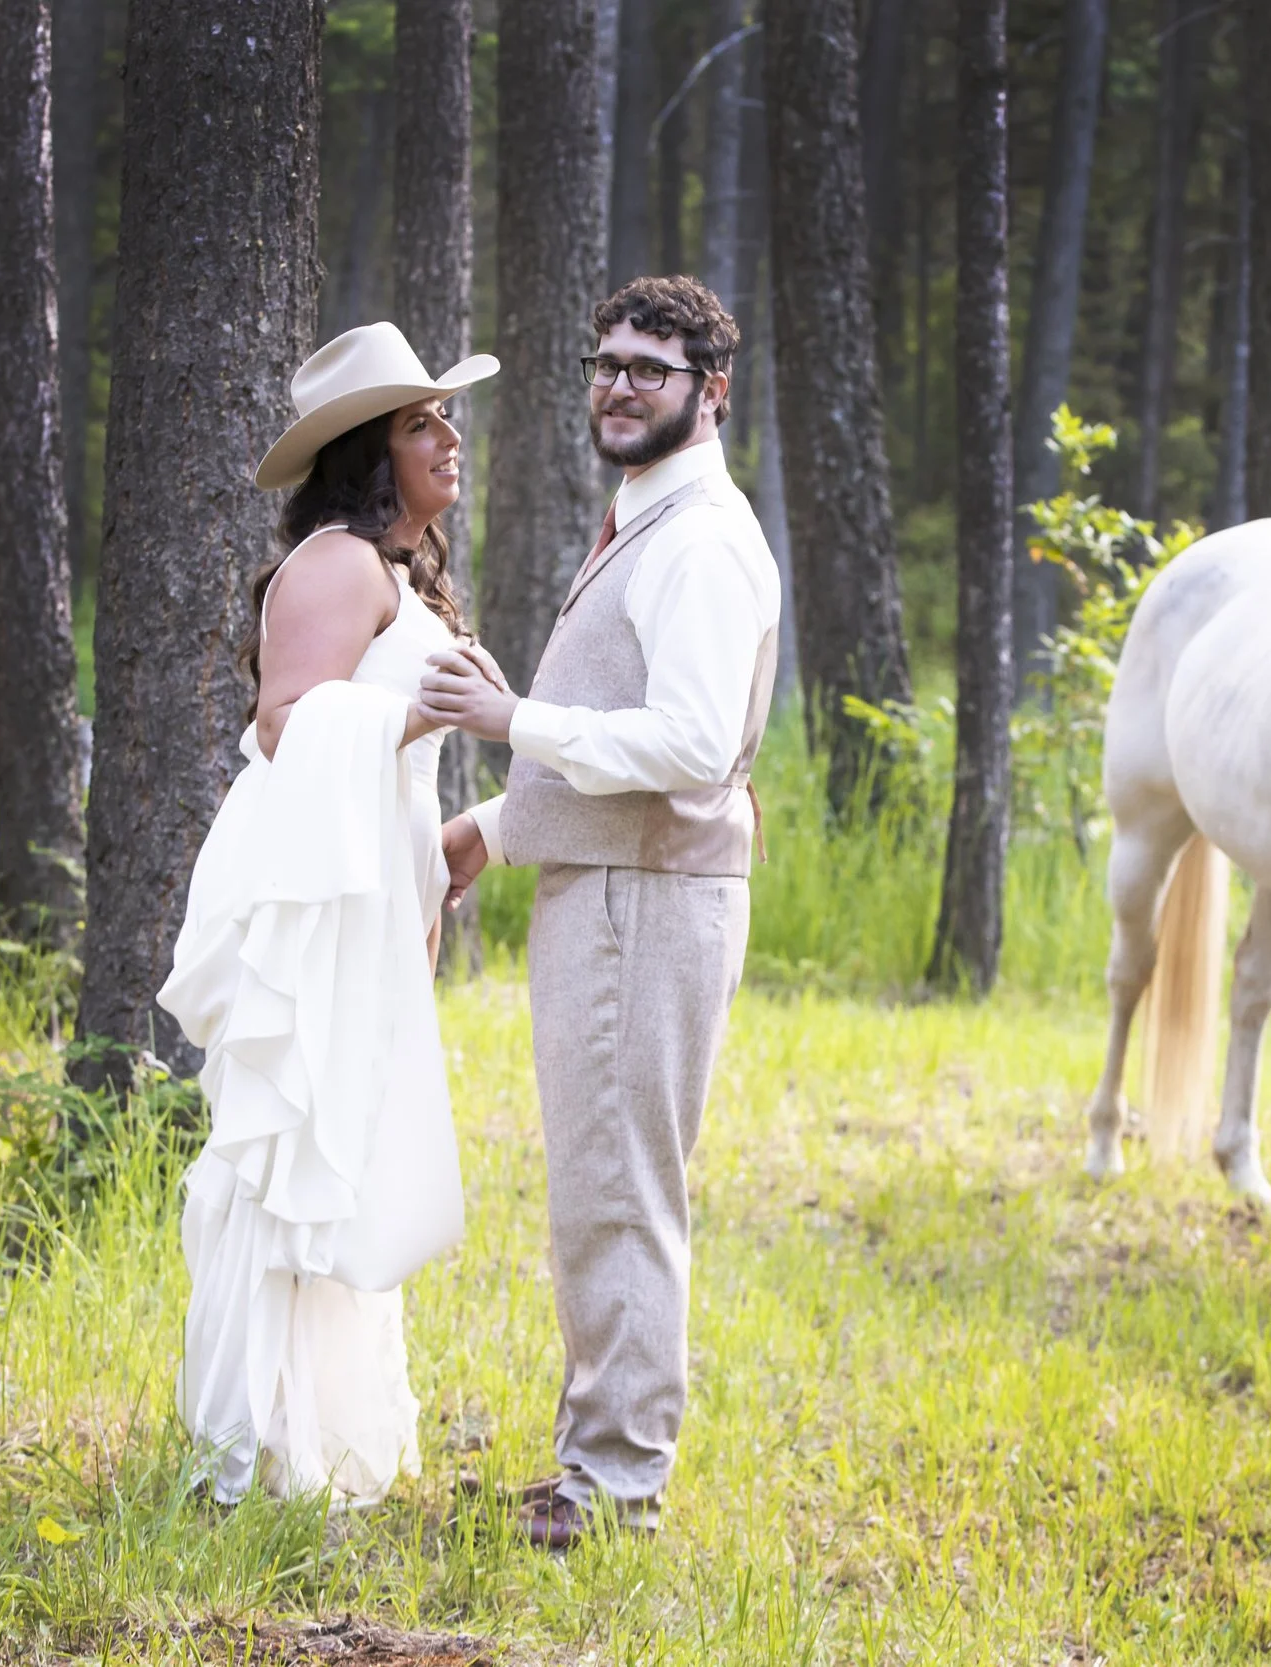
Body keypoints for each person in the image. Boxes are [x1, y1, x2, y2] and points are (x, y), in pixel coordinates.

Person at [420, 276, 781, 1550]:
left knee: (620, 1189)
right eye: (606, 362)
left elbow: (686, 745)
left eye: (651, 368)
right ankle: (595, 1461)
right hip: (607, 884)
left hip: (649, 897)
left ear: (711, 394)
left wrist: (510, 722)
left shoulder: (700, 542)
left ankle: (616, 1485)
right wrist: (501, 826)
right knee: (594, 1182)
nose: (619, 384)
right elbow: (627, 729)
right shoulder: (646, 522)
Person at [157, 323, 503, 1507]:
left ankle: (326, 1446)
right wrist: (415, 718)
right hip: (313, 882)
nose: (450, 438)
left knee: (348, 1150)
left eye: (447, 418)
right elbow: (286, 723)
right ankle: (248, 1451)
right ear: (369, 451)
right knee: (288, 1155)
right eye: (422, 423)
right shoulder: (337, 563)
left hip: (378, 872)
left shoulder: (402, 576)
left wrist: (437, 864)